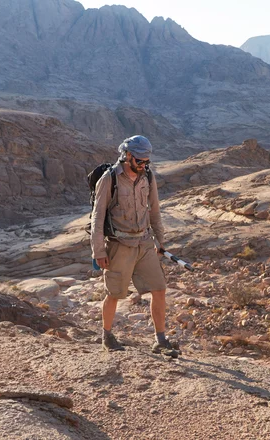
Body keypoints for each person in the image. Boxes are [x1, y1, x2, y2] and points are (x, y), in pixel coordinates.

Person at [90, 135, 178, 357]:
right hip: (120, 244)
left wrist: (160, 240)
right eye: (139, 160)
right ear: (127, 156)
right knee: (115, 293)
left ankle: (160, 340)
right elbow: (97, 217)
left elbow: (155, 210)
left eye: (146, 161)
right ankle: (107, 336)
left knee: (159, 289)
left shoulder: (147, 176)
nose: (143, 165)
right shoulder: (109, 179)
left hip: (145, 243)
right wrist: (98, 251)